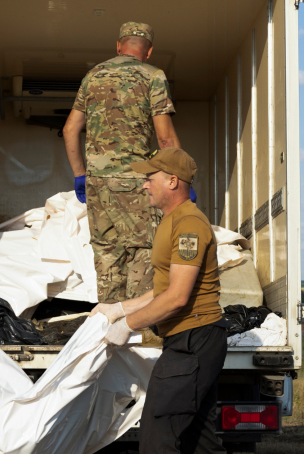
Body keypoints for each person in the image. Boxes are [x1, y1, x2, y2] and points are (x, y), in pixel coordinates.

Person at [92, 148, 275, 454]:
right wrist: (118, 307)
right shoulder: (172, 223)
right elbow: (166, 289)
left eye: (150, 177)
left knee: (157, 434)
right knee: (199, 442)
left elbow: (178, 298)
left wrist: (129, 325)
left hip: (193, 342)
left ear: (173, 181)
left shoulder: (189, 223)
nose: (144, 183)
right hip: (191, 342)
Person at [63, 21, 181, 303]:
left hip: (96, 184)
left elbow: (69, 130)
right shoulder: (153, 76)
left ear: (118, 46)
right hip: (135, 182)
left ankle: (109, 324)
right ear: (148, 51)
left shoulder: (93, 76)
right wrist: (180, 178)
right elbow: (165, 140)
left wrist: (81, 175)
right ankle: (138, 331)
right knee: (143, 252)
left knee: (107, 253)